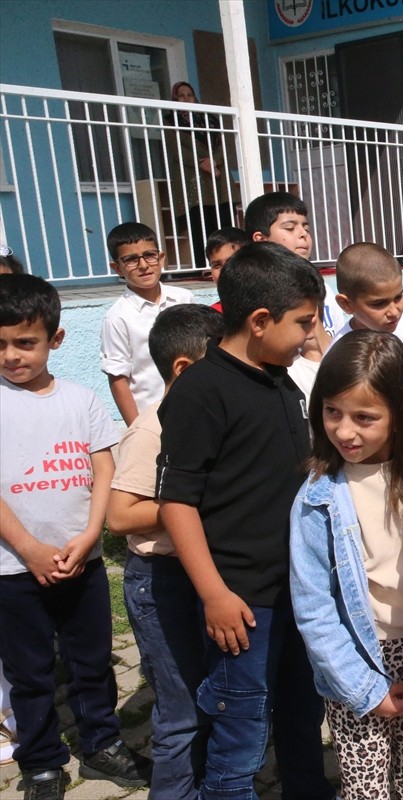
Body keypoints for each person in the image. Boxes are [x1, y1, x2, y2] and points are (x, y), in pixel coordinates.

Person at [156, 243, 336, 800]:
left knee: (302, 714)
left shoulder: (279, 377)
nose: (311, 334)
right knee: (241, 733)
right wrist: (213, 594)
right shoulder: (202, 392)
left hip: (296, 591)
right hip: (241, 605)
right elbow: (176, 502)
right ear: (260, 321)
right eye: (304, 322)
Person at [0, 274, 152, 800]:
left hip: (81, 562)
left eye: (25, 342)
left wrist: (90, 536)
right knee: (31, 672)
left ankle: (102, 746)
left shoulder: (82, 400)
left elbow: (102, 471)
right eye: (0, 344)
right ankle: (41, 764)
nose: (12, 355)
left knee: (91, 664)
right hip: (15, 569)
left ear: (55, 340)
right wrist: (30, 548)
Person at [289, 331, 403, 799]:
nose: (345, 431)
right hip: (353, 659)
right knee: (365, 789)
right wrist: (364, 688)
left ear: (400, 412)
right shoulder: (316, 498)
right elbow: (314, 607)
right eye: (332, 412)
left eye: (365, 417)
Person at [107, 304, 224, 800]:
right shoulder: (151, 429)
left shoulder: (207, 421)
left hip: (200, 576)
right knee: (180, 711)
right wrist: (185, 503)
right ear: (185, 368)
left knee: (207, 696)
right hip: (161, 582)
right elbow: (120, 516)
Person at [100, 221, 195, 424]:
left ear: (160, 258)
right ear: (117, 268)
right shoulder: (118, 317)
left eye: (149, 255)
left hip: (196, 409)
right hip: (153, 419)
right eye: (131, 260)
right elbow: (118, 380)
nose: (143, 266)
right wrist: (137, 430)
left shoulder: (184, 299)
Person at [164, 82, 237, 269]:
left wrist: (214, 162)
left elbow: (222, 146)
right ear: (174, 98)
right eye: (181, 95)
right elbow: (176, 150)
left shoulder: (209, 119)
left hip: (217, 177)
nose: (186, 98)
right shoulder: (170, 121)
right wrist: (202, 162)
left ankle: (230, 263)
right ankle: (203, 267)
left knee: (223, 221)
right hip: (193, 178)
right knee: (199, 223)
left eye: (190, 94)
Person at [330, 242, 403, 348]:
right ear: (346, 304)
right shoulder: (340, 353)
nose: (394, 312)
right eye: (379, 303)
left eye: (398, 297)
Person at [205, 227, 251, 313]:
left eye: (231, 261)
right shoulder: (213, 316)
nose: (224, 270)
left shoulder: (276, 305)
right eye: (217, 265)